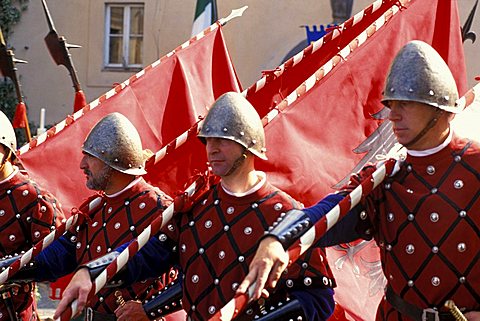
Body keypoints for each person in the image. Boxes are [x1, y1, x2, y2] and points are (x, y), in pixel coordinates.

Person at [238, 41, 480, 320]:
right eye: (391, 104)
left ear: (438, 108)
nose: (393, 114)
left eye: (405, 104)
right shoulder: (385, 176)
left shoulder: (475, 165)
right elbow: (327, 212)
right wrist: (277, 238)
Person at [54, 92, 341, 321]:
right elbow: (144, 255)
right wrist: (92, 271)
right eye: (208, 140)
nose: (212, 148)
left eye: (223, 140)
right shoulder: (196, 208)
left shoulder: (285, 213)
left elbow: (317, 298)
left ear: (249, 147)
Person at [5, 112, 176, 321]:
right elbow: (53, 257)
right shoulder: (94, 210)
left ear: (113, 159)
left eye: (91, 156)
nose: (82, 164)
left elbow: (192, 275)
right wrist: (6, 269)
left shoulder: (161, 209)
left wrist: (150, 309)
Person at [0, 111, 65, 321]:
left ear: (7, 149)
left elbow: (55, 258)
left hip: (13, 313)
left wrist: (7, 270)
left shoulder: (35, 199)